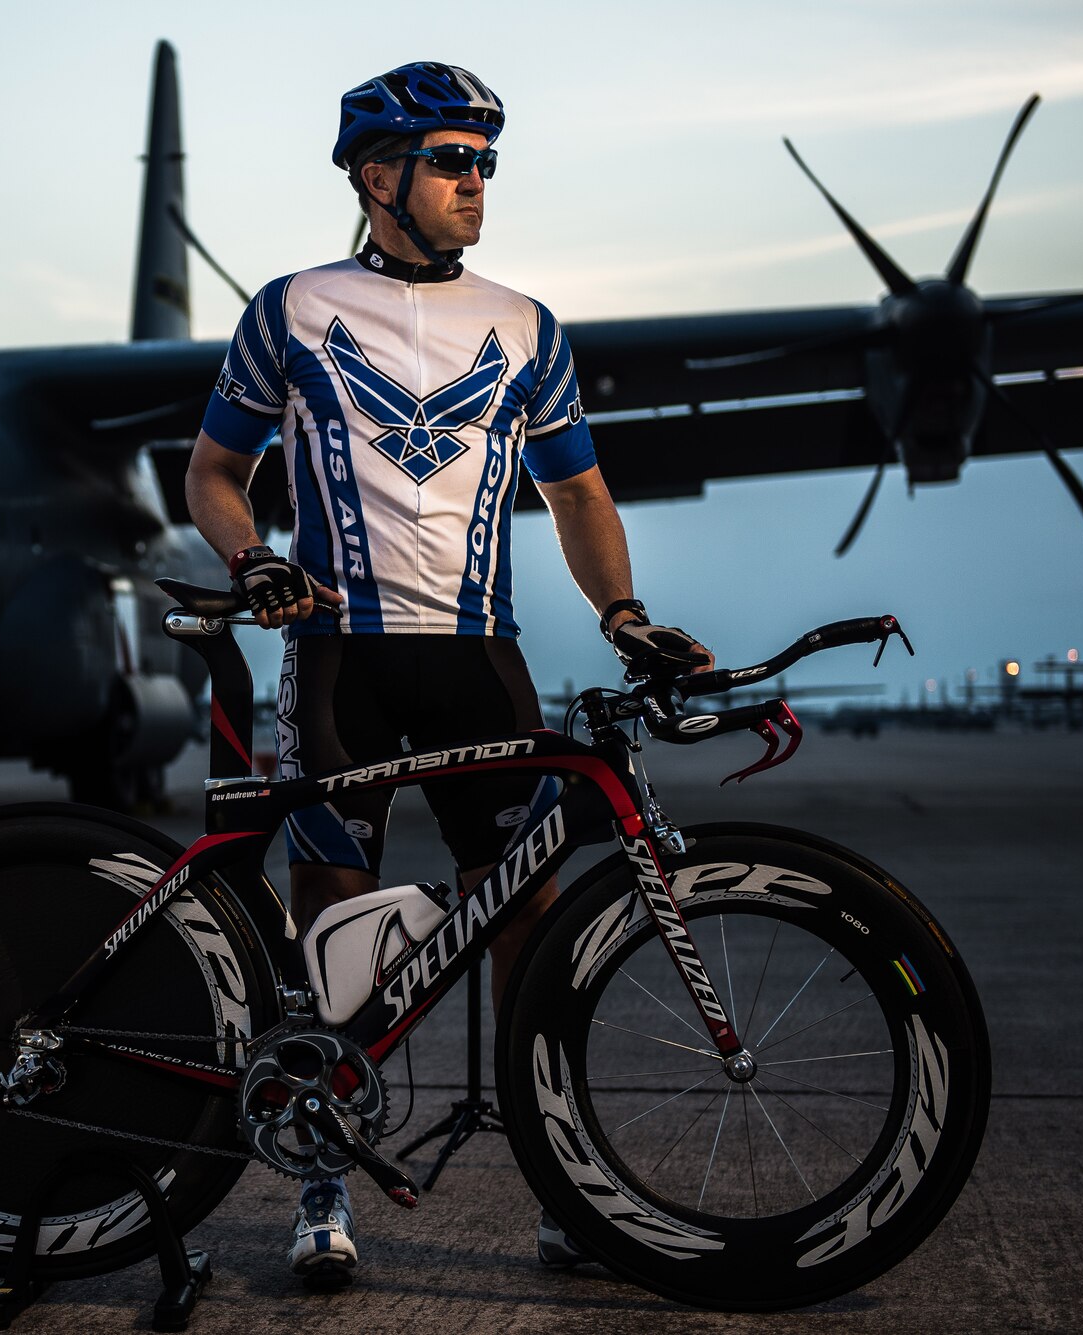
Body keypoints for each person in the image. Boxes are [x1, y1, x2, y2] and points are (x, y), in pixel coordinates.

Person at [183, 61, 714, 1289]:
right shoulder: (291, 308)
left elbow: (576, 490)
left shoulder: (526, 325)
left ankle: (557, 1193)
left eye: (485, 162)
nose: (476, 183)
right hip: (337, 662)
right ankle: (321, 1183)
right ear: (378, 178)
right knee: (336, 924)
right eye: (450, 161)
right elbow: (212, 469)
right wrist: (250, 556)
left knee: (526, 923)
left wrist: (622, 612)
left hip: (481, 658)